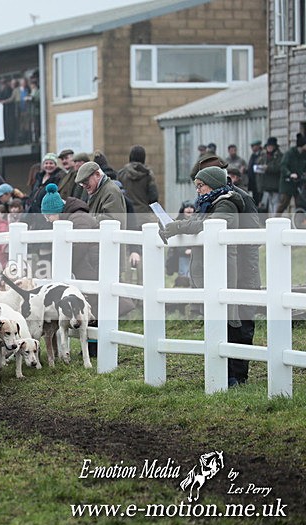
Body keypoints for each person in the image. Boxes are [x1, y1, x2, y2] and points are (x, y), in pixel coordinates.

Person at [160, 166, 255, 387]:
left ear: (212, 184)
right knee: (217, 320)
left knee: (229, 322)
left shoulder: (226, 203)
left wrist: (179, 226)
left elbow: (207, 225)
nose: (198, 191)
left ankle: (230, 375)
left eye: (201, 186)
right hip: (213, 271)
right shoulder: (210, 203)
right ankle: (221, 372)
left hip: (223, 271)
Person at [116, 145, 159, 226]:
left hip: (127, 216)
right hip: (143, 217)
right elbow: (154, 197)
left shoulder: (121, 174)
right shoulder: (148, 175)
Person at [277, 133, 306, 217]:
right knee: (284, 203)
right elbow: (283, 166)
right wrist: (290, 174)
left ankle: (299, 222)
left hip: (298, 183)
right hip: (287, 183)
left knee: (300, 203)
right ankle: (275, 220)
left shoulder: (304, 155)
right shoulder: (290, 153)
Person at [257, 137, 282, 214]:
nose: (269, 148)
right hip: (266, 185)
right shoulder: (264, 156)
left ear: (274, 147)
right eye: (268, 146)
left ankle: (275, 219)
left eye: (271, 146)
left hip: (276, 184)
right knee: (268, 205)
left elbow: (279, 167)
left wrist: (268, 168)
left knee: (275, 203)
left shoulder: (279, 156)